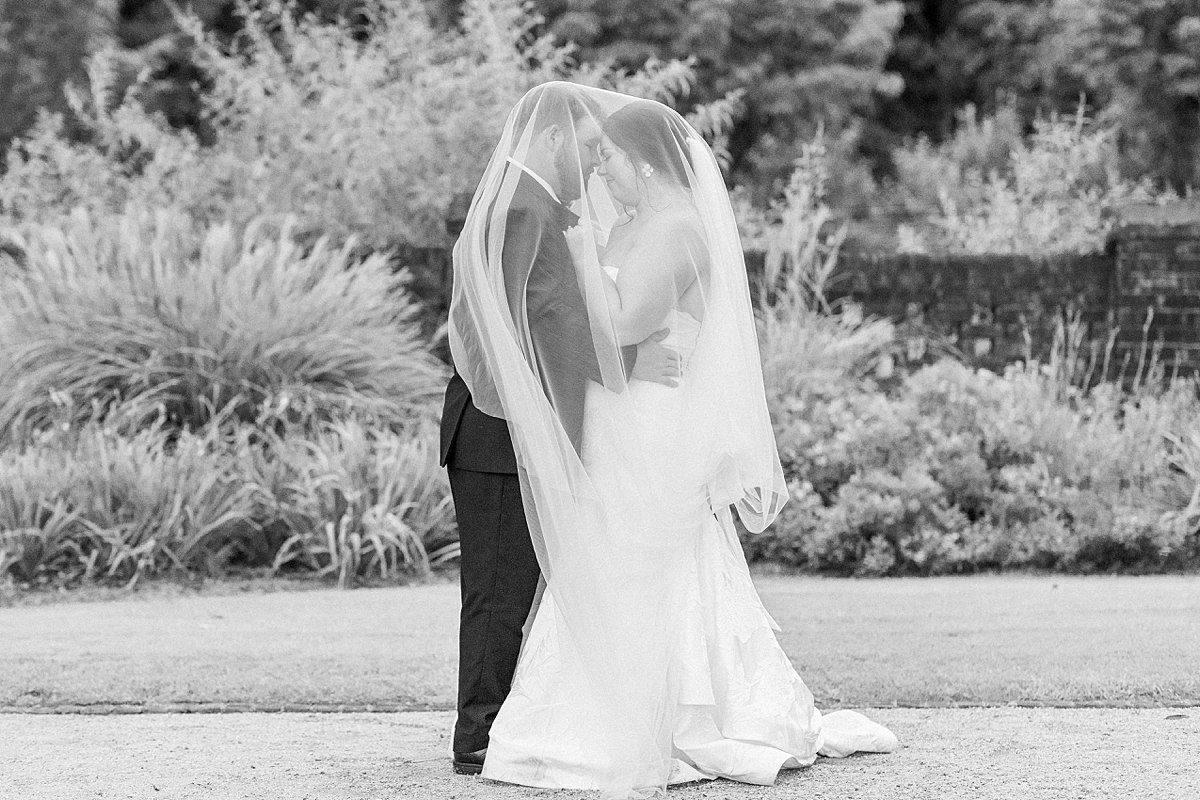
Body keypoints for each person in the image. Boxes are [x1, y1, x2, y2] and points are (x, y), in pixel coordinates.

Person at [447, 83, 898, 799]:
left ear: (646, 164)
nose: (600, 172)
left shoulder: (676, 229)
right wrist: (589, 257)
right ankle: (579, 714)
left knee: (641, 556)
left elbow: (622, 322)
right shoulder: (599, 223)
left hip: (653, 419)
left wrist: (584, 256)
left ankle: (672, 714)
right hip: (617, 414)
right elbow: (556, 323)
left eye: (611, 160)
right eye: (595, 157)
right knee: (606, 559)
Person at [439, 83, 681, 776]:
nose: (591, 161)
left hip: (510, 433)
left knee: (511, 589)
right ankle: (477, 736)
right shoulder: (523, 213)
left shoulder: (529, 206)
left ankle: (494, 724)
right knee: (498, 593)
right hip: (498, 437)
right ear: (550, 139)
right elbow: (539, 330)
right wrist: (632, 358)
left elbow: (549, 321)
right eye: (584, 146)